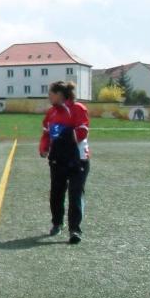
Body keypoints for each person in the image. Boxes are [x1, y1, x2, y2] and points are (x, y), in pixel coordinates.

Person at [39, 81, 90, 244]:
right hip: (57, 160)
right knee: (56, 193)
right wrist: (44, 147)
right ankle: (57, 223)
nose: (48, 96)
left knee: (75, 194)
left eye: (51, 93)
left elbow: (82, 131)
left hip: (78, 159)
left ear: (59, 94)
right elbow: (46, 134)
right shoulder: (51, 113)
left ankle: (75, 229)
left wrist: (63, 136)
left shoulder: (78, 109)